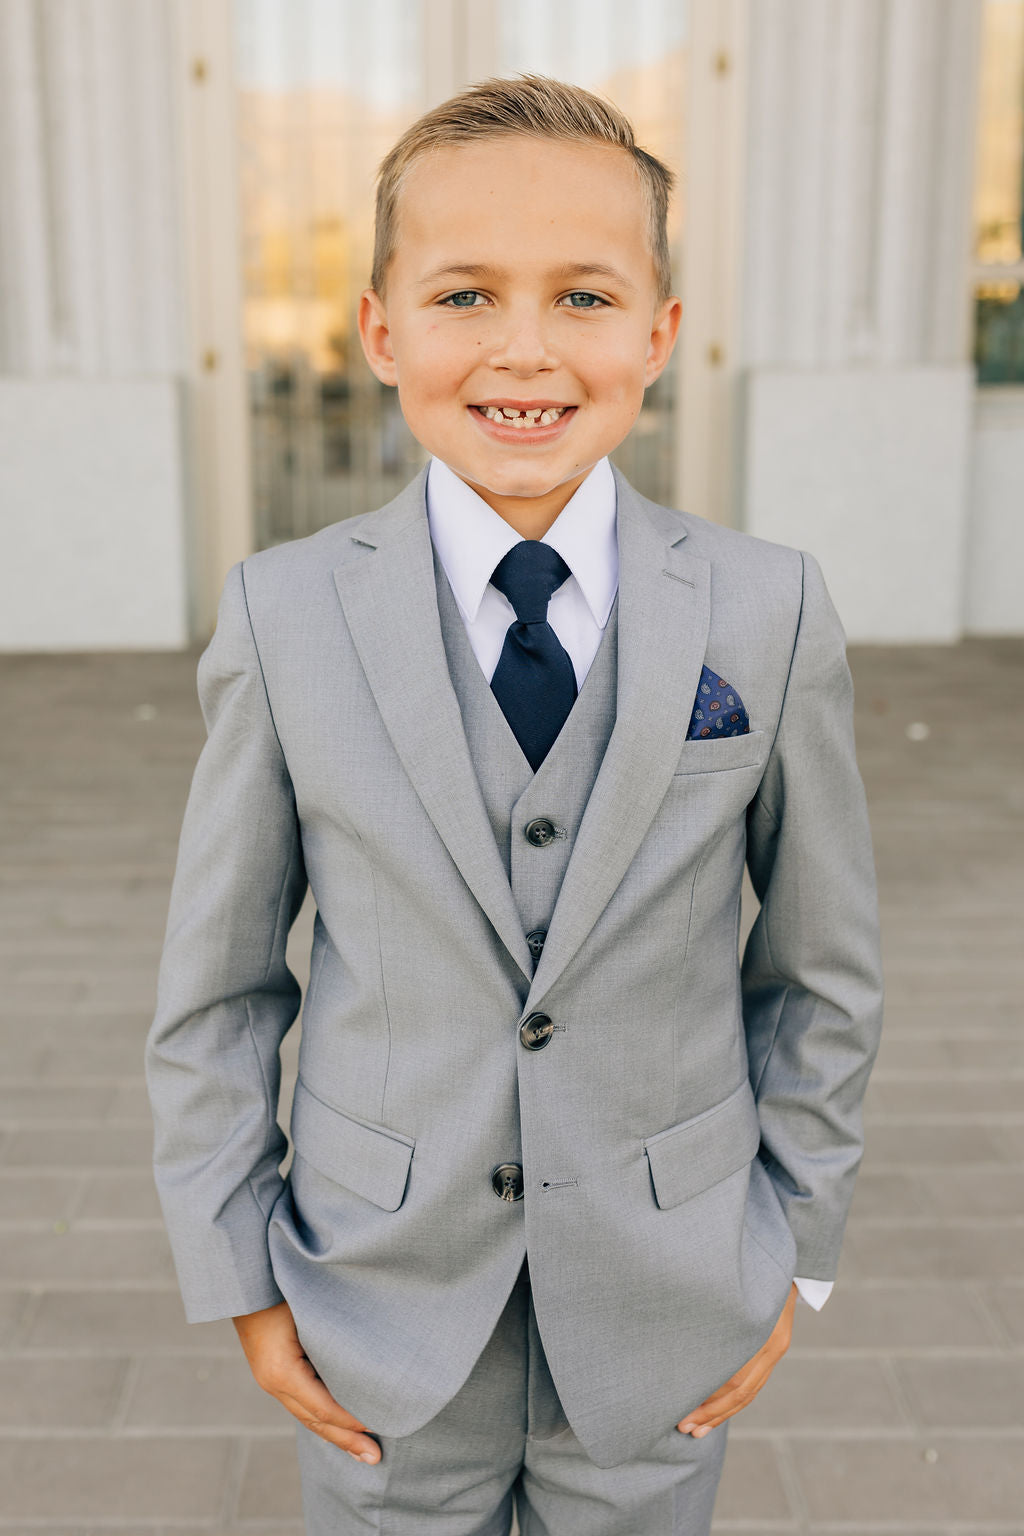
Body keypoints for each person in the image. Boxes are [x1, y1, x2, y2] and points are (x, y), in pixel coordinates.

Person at [145, 73, 883, 1535]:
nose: (526, 351)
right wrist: (239, 1276)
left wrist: (791, 1251)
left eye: (587, 298)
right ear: (381, 329)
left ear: (661, 334)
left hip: (669, 1315)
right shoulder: (285, 616)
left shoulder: (766, 610)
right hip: (378, 1314)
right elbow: (219, 991)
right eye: (467, 295)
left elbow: (819, 969)